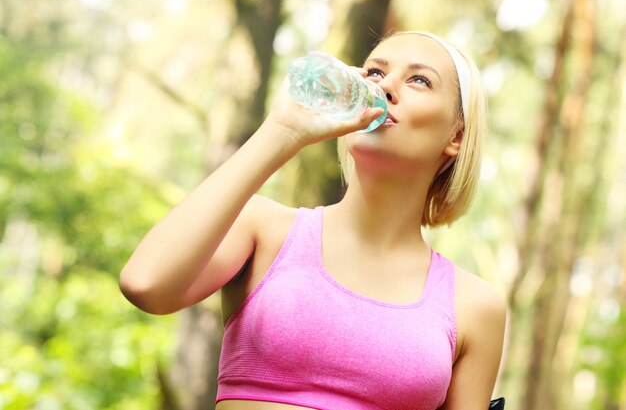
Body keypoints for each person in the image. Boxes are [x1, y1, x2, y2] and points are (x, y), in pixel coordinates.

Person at [119, 30, 507, 410]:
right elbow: (146, 284)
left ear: (456, 136)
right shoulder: (263, 229)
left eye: (419, 80)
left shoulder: (474, 306)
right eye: (374, 72)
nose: (385, 86)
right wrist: (283, 131)